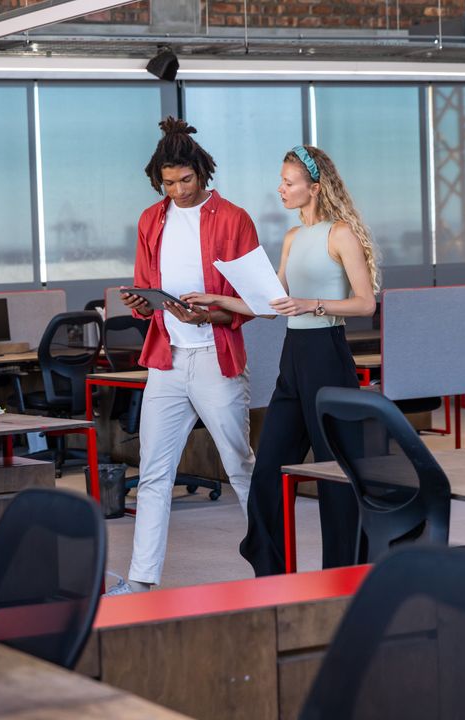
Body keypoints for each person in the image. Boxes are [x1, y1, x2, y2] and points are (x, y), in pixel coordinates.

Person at [184, 145, 380, 576]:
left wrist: (313, 303)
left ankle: (344, 576)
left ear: (314, 187)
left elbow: (365, 303)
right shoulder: (293, 238)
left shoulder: (339, 233)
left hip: (329, 359)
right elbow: (271, 305)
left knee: (336, 481)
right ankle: (271, 574)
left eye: (288, 183)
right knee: (269, 471)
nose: (281, 189)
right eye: (281, 181)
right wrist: (217, 298)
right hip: (293, 363)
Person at [109, 117, 258, 594]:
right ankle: (141, 581)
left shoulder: (234, 219)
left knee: (240, 466)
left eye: (185, 180)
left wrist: (211, 318)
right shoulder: (151, 220)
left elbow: (255, 301)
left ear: (202, 171)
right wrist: (139, 304)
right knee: (153, 474)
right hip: (167, 362)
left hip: (215, 359)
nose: (177, 191)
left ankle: (274, 565)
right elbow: (146, 287)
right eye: (168, 183)